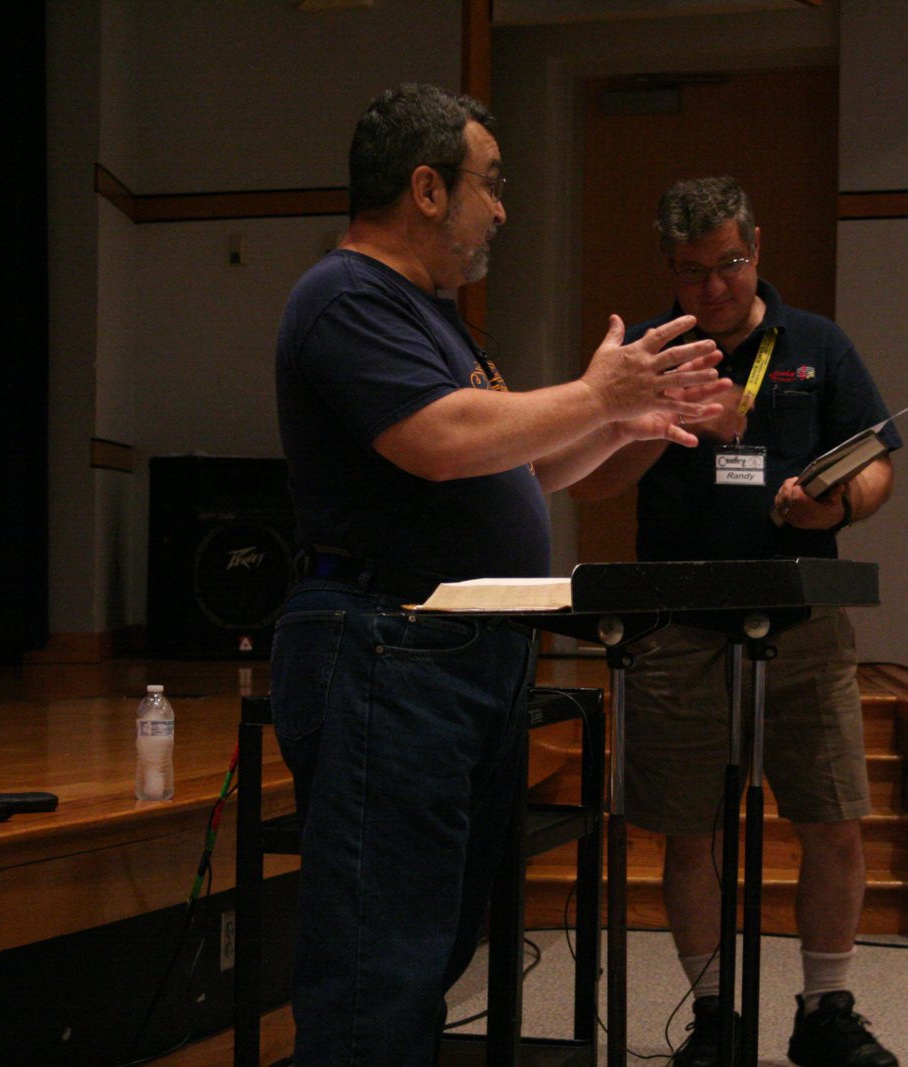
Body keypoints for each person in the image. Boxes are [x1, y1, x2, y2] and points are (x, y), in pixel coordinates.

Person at [270, 84, 730, 1067]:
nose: (502, 209)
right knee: (378, 965)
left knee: (430, 945)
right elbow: (441, 441)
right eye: (490, 183)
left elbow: (521, 463)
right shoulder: (346, 295)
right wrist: (592, 393)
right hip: (386, 646)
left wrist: (617, 420)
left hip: (453, 658)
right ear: (427, 188)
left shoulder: (435, 320)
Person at [572, 176, 902, 1067]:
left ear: (755, 248)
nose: (713, 287)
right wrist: (663, 418)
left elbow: (877, 462)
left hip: (801, 619)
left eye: (729, 264)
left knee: (834, 819)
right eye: (691, 271)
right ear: (668, 268)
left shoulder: (818, 344)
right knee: (692, 831)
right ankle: (715, 1013)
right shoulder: (644, 355)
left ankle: (826, 1009)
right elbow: (590, 484)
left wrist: (836, 506)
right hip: (677, 622)